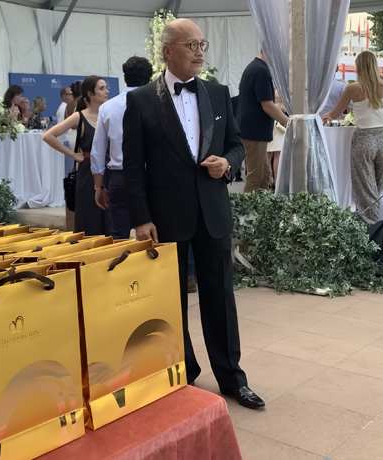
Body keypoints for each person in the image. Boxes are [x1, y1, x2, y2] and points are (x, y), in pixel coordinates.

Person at [123, 18, 264, 410]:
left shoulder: (218, 93)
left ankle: (232, 378)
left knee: (220, 297)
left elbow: (236, 144)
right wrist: (141, 218)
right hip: (165, 216)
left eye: (202, 44)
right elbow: (133, 166)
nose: (199, 52)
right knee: (170, 300)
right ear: (167, 51)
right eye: (191, 45)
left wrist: (228, 163)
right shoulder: (141, 101)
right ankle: (182, 373)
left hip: (212, 211)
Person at [323, 51, 383, 224]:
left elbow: (334, 114)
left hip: (363, 138)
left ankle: (369, 223)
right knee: (380, 184)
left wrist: (319, 119)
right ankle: (381, 221)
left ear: (358, 67)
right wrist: (381, 126)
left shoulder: (353, 88)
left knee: (364, 184)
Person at [90, 56, 152, 240]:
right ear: (150, 77)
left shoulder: (108, 107)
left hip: (120, 176)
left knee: (119, 236)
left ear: (124, 77)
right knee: (157, 235)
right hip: (151, 176)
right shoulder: (157, 104)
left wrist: (98, 187)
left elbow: (98, 150)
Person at [43, 75, 110, 236]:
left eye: (106, 87)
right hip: (87, 173)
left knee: (110, 219)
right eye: (102, 88)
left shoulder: (109, 114)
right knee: (90, 218)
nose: (107, 91)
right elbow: (48, 136)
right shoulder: (79, 116)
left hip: (109, 170)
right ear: (90, 94)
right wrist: (73, 155)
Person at [236, 51, 289, 193]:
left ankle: (262, 204)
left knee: (265, 176)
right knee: (255, 177)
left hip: (253, 130)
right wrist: (289, 123)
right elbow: (268, 106)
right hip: (254, 131)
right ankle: (248, 207)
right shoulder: (261, 71)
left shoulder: (255, 67)